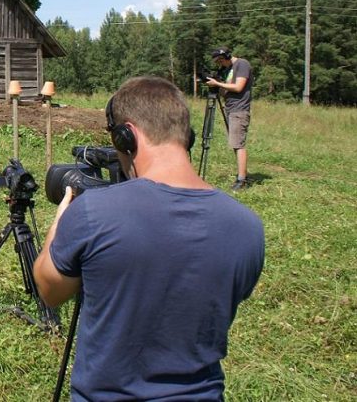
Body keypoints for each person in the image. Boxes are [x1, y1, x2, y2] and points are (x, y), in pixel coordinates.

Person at [33, 76, 264, 401]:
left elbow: (50, 290)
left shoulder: (92, 213)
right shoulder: (248, 228)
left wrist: (61, 221)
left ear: (127, 135)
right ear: (187, 136)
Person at [206, 46, 253, 191]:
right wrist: (216, 85)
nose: (220, 65)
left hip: (239, 109)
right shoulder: (229, 69)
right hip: (231, 108)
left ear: (225, 57)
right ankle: (242, 174)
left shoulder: (242, 64)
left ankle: (241, 180)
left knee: (238, 144)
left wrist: (217, 83)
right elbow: (226, 90)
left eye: (220, 61)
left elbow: (238, 87)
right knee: (235, 143)